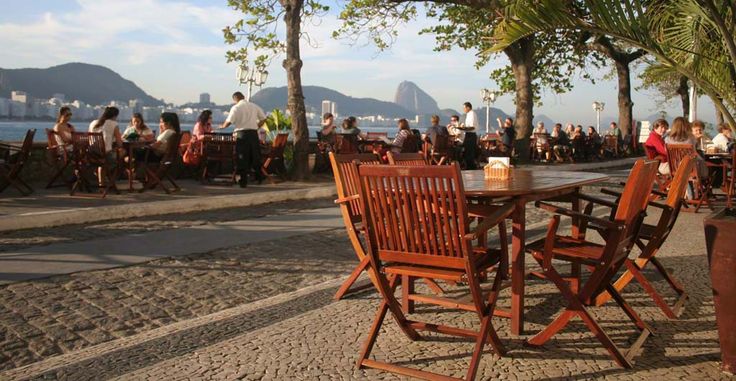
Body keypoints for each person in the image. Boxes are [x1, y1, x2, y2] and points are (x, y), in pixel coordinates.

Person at [219, 91, 267, 187]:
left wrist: (222, 126)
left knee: (242, 157)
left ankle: (243, 181)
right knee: (255, 156)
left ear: (234, 100)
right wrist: (257, 126)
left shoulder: (236, 108)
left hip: (242, 135)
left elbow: (229, 121)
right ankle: (259, 177)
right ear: (243, 97)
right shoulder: (254, 106)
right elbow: (264, 118)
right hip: (253, 134)